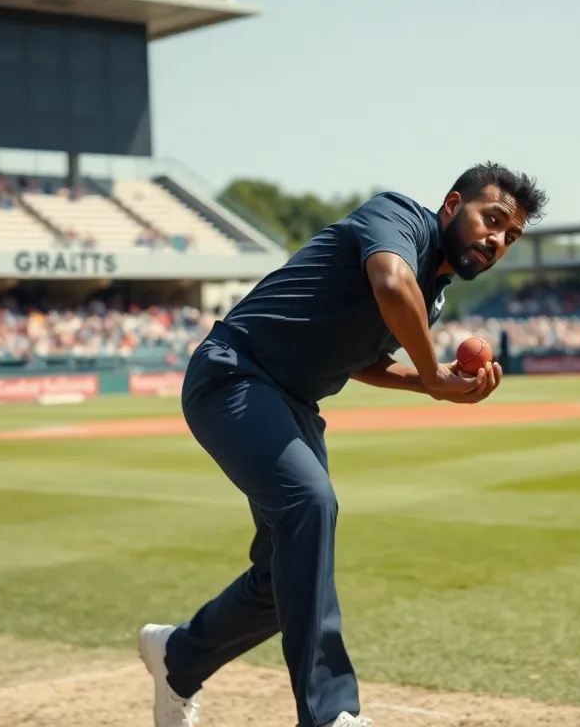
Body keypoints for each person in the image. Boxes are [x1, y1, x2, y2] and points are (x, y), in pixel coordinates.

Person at [138, 162, 547, 727]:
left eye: (511, 235)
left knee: (283, 578)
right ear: (453, 204)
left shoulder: (432, 296)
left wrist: (435, 386)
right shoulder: (398, 217)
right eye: (491, 219)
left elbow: (366, 361)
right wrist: (431, 372)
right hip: (234, 374)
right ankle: (331, 713)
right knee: (311, 503)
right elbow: (388, 281)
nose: (497, 239)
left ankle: (177, 657)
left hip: (293, 404)